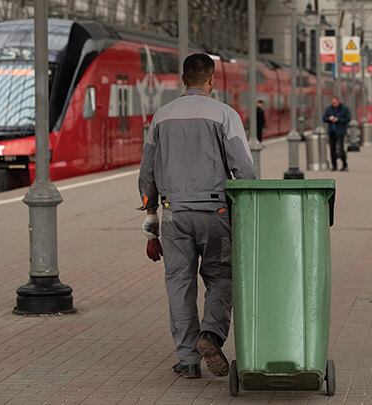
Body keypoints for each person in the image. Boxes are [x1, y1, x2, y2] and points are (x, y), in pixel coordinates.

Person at [138, 53, 256, 379]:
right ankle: (211, 335)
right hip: (215, 213)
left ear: (182, 79)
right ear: (212, 80)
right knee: (222, 277)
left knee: (179, 284)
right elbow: (244, 170)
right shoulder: (224, 114)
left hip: (173, 215)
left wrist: (151, 225)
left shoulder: (161, 116)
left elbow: (147, 175)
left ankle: (188, 360)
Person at [323, 96, 351, 171]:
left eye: (335, 102)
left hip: (340, 131)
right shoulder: (329, 109)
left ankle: (344, 165)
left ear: (338, 101)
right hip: (331, 131)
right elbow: (324, 118)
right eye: (332, 103)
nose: (334, 104)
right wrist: (329, 118)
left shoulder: (344, 109)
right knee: (332, 149)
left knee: (341, 149)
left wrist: (338, 120)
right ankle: (334, 166)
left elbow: (347, 119)